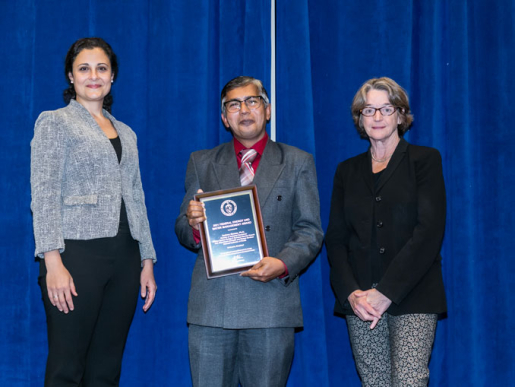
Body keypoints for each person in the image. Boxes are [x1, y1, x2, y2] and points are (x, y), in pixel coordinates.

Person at [175, 76, 323, 387]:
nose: (244, 110)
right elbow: (182, 230)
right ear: (224, 117)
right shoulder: (201, 162)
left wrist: (282, 264)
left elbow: (310, 230)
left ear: (267, 110)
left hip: (271, 307)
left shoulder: (298, 162)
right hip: (212, 308)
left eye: (252, 101)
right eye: (234, 104)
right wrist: (194, 225)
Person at [30, 37, 157, 386]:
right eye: (83, 68)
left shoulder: (127, 133)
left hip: (126, 258)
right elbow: (43, 195)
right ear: (71, 77)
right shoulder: (55, 122)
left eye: (101, 68)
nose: (93, 75)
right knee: (66, 367)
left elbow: (136, 197)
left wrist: (147, 260)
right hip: (76, 255)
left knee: (106, 369)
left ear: (112, 75)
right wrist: (52, 261)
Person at [326, 77, 447, 386]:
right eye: (369, 110)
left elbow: (429, 232)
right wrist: (351, 294)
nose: (377, 117)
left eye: (385, 108)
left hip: (414, 295)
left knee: (409, 381)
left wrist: (386, 293)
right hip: (362, 303)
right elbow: (336, 240)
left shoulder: (425, 160)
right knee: (375, 383)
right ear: (359, 118)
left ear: (400, 114)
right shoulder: (346, 170)